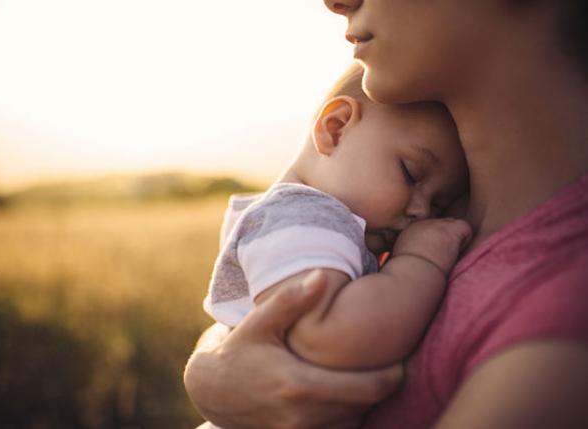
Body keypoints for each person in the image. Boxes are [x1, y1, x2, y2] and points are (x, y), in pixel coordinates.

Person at [184, 0, 588, 428]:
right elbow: (274, 315)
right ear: (335, 128)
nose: (334, 2)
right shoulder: (396, 210)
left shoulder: (563, 297)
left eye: (415, 177)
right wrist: (211, 369)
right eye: (411, 174)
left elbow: (321, 332)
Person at [204, 63, 469, 373]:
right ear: (336, 129)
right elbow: (332, 336)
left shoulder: (294, 223)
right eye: (411, 174)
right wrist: (421, 260)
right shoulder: (300, 217)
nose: (422, 212)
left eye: (439, 205)